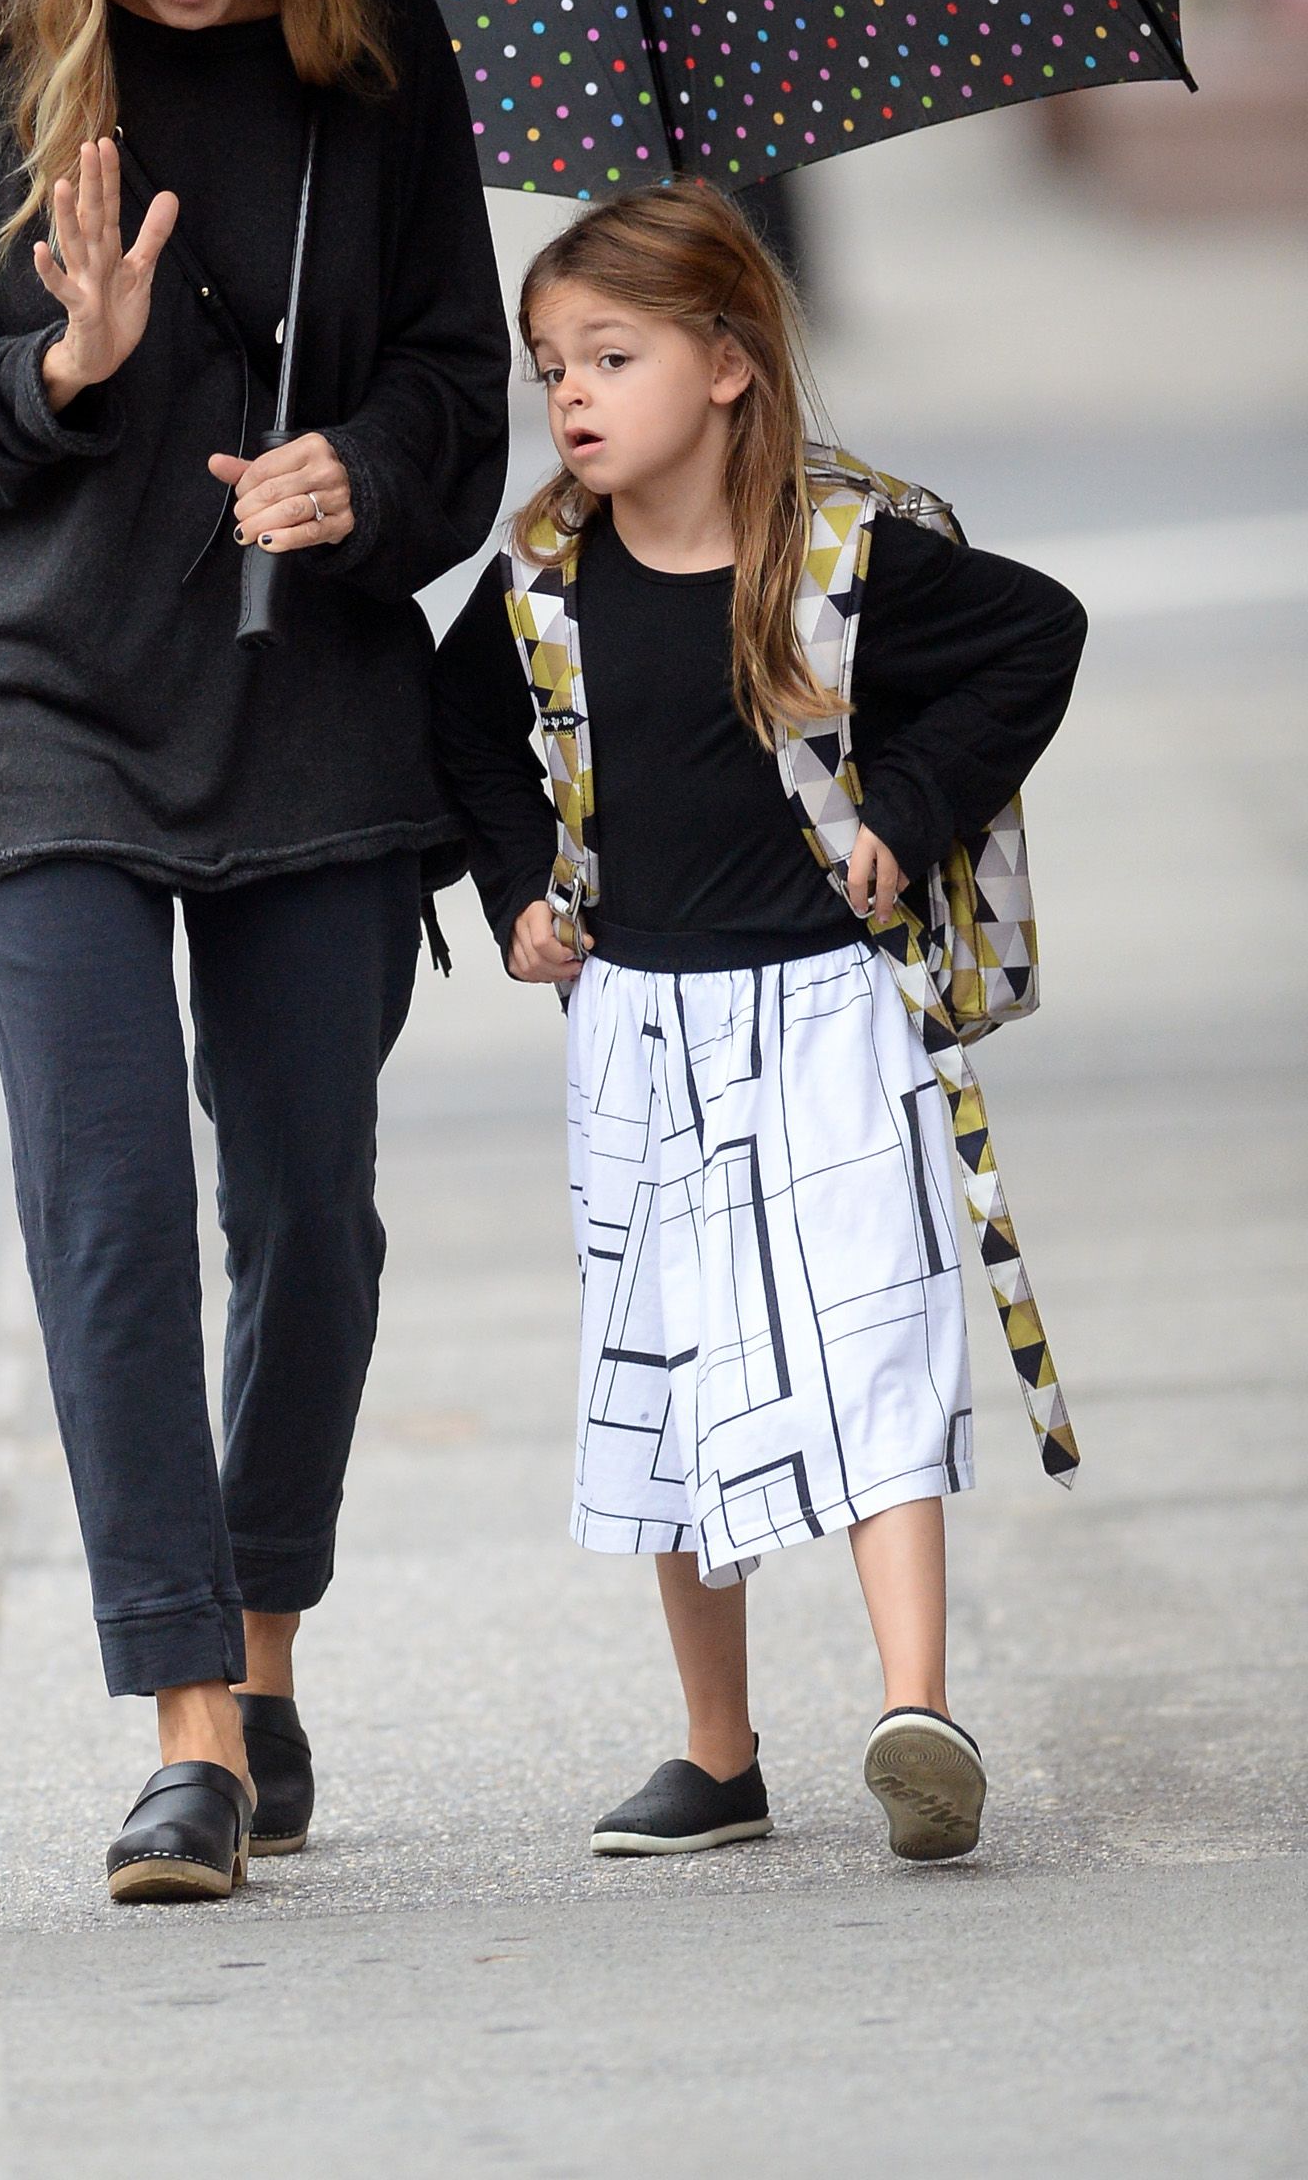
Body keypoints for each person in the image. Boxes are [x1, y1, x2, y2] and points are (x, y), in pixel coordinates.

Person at [0, 0, 511, 1904]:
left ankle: (267, 1624)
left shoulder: (383, 56)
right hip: (42, 699)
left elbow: (458, 395)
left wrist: (365, 476)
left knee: (306, 1203)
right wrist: (60, 363)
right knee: (109, 1200)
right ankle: (186, 1725)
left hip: (310, 695)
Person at [431, 188, 1085, 1865]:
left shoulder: (846, 552)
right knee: (667, 1367)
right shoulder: (543, 574)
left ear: (728, 365)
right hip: (637, 1017)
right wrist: (521, 892)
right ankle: (717, 1753)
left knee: (872, 1331)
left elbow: (1036, 634)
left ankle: (914, 1709)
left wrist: (914, 808)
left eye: (611, 355)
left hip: (827, 1008)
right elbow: (461, 737)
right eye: (548, 363)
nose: (568, 394)